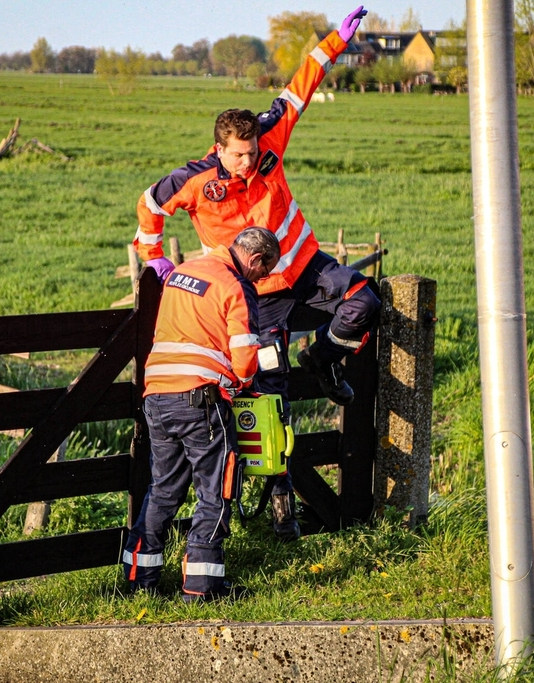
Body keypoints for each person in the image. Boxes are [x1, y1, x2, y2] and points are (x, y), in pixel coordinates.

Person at [132, 6, 380, 541]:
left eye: (253, 153)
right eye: (239, 155)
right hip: (255, 298)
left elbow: (300, 89)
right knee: (270, 398)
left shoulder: (270, 138)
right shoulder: (195, 180)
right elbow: (149, 203)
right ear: (220, 149)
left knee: (367, 301)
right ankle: (281, 511)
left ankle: (323, 359)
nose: (249, 162)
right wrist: (153, 255)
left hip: (305, 267)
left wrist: (335, 41)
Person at [122, 228, 280, 603]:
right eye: (265, 271)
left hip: (156, 395)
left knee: (163, 490)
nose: (262, 279)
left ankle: (139, 580)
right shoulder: (236, 285)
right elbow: (245, 355)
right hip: (201, 400)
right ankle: (201, 587)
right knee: (216, 492)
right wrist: (243, 384)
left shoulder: (182, 272)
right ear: (255, 259)